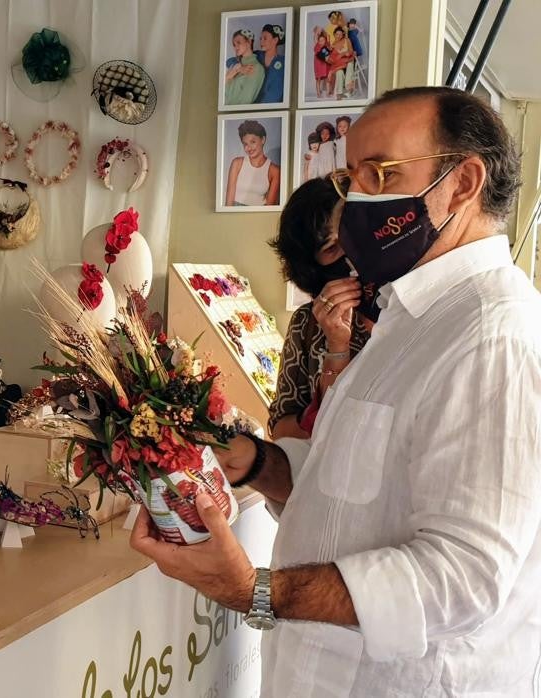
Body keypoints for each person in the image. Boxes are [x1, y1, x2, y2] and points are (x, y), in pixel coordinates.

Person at [132, 86, 540, 696]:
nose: (358, 204)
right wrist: (254, 462)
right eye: (353, 179)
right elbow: (353, 489)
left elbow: (463, 578)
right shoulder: (411, 315)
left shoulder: (491, 336)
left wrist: (254, 590)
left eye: (382, 174)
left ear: (463, 183)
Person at [266, 176, 370, 441]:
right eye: (332, 247)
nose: (351, 251)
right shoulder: (307, 323)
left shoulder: (407, 306)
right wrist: (337, 347)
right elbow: (280, 430)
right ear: (311, 264)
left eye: (352, 231)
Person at [224, 24, 285, 105]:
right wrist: (239, 68)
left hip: (268, 105)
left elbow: (276, 91)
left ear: (275, 40)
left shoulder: (283, 61)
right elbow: (230, 61)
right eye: (260, 38)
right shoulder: (258, 55)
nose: (261, 41)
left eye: (265, 38)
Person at [225, 120, 280, 207]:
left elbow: (270, 207)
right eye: (245, 144)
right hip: (235, 213)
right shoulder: (237, 163)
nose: (248, 148)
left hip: (259, 215)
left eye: (253, 142)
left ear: (263, 140)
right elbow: (228, 203)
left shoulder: (274, 170)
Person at [223, 29, 265, 106]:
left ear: (249, 42)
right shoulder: (234, 66)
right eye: (234, 45)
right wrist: (235, 71)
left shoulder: (256, 68)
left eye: (238, 43)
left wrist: (228, 78)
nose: (236, 47)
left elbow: (246, 100)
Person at [326, 27, 357, 99]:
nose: (339, 36)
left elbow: (351, 51)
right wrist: (330, 59)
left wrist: (343, 54)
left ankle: (348, 87)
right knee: (339, 72)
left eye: (340, 34)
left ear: (342, 35)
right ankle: (339, 93)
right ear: (334, 34)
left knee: (349, 64)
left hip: (348, 60)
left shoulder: (347, 40)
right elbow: (333, 58)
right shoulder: (333, 44)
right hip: (340, 64)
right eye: (337, 34)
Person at [312, 31, 332, 99]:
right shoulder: (317, 46)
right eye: (320, 40)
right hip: (318, 65)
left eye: (323, 40)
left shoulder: (326, 46)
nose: (321, 42)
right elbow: (315, 39)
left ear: (325, 40)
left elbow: (328, 37)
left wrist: (324, 33)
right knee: (318, 79)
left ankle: (328, 92)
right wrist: (316, 33)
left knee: (327, 79)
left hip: (326, 65)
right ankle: (318, 93)